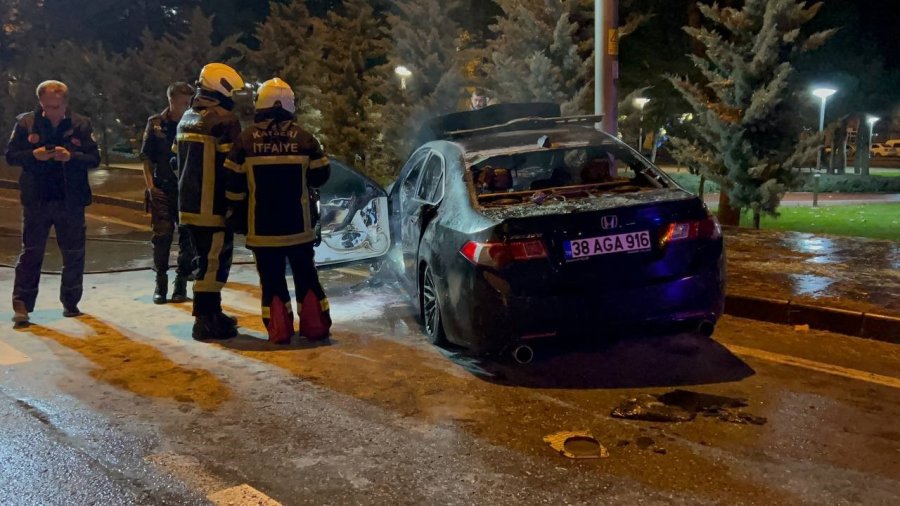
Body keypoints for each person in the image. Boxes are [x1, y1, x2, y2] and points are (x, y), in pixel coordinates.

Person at [224, 78, 332, 343]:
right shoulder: (305, 138)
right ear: (289, 105)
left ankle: (280, 330)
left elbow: (232, 186)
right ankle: (315, 327)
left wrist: (235, 216)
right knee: (306, 276)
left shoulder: (245, 140)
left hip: (262, 230)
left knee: (271, 281)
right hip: (299, 229)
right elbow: (321, 176)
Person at [5, 80, 100, 326]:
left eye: (56, 107)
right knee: (31, 252)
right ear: (40, 103)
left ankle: (71, 302)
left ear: (65, 103)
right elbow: (11, 156)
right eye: (47, 106)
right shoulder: (26, 123)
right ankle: (22, 305)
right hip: (37, 199)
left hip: (70, 199)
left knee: (73, 253)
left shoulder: (81, 124)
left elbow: (94, 158)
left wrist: (71, 157)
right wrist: (33, 155)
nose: (52, 112)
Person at [174, 63, 244, 341]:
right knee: (213, 264)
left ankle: (212, 313)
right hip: (212, 207)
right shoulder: (224, 120)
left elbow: (174, 160)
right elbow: (233, 165)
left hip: (188, 205)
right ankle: (205, 321)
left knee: (203, 260)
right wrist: (235, 202)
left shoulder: (187, 117)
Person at [141, 81, 196, 304]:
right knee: (162, 236)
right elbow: (146, 158)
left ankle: (180, 284)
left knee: (188, 237)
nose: (188, 105)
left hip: (186, 189)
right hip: (162, 188)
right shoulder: (155, 124)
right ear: (171, 100)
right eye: (184, 101)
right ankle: (160, 282)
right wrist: (150, 187)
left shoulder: (193, 123)